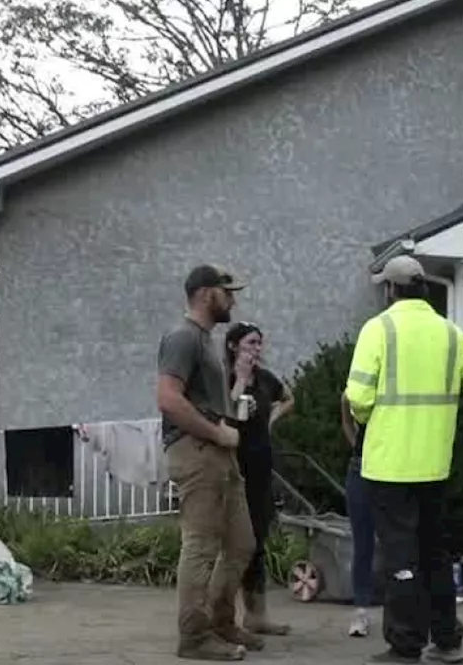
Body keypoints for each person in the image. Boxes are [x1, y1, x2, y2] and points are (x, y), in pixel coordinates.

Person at [343, 255, 463, 664]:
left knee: (400, 558)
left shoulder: (379, 330)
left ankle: (405, 643)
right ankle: (446, 640)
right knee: (435, 554)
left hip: (388, 465)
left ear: (390, 290)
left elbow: (357, 398)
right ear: (424, 287)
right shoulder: (450, 334)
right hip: (434, 464)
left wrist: (368, 420)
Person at [155, 265, 255, 661]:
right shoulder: (182, 337)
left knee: (241, 543)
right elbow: (168, 398)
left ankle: (221, 623)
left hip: (219, 455)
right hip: (197, 453)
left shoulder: (203, 340)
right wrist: (215, 433)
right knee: (200, 547)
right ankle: (194, 638)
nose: (233, 299)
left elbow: (202, 399)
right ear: (205, 294)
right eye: (227, 291)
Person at [223, 322, 295, 640]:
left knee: (258, 541)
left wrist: (272, 419)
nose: (257, 349)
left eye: (260, 343)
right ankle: (221, 615)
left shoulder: (265, 380)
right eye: (251, 343)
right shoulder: (222, 378)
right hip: (232, 467)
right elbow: (222, 412)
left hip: (261, 467)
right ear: (233, 346)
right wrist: (239, 379)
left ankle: (257, 615)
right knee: (235, 543)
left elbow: (289, 398)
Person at [341, 394, 378, 637]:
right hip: (362, 465)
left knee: (402, 540)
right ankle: (361, 612)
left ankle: (410, 610)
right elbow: (345, 406)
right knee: (362, 543)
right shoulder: (359, 389)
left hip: (395, 468)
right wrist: (356, 444)